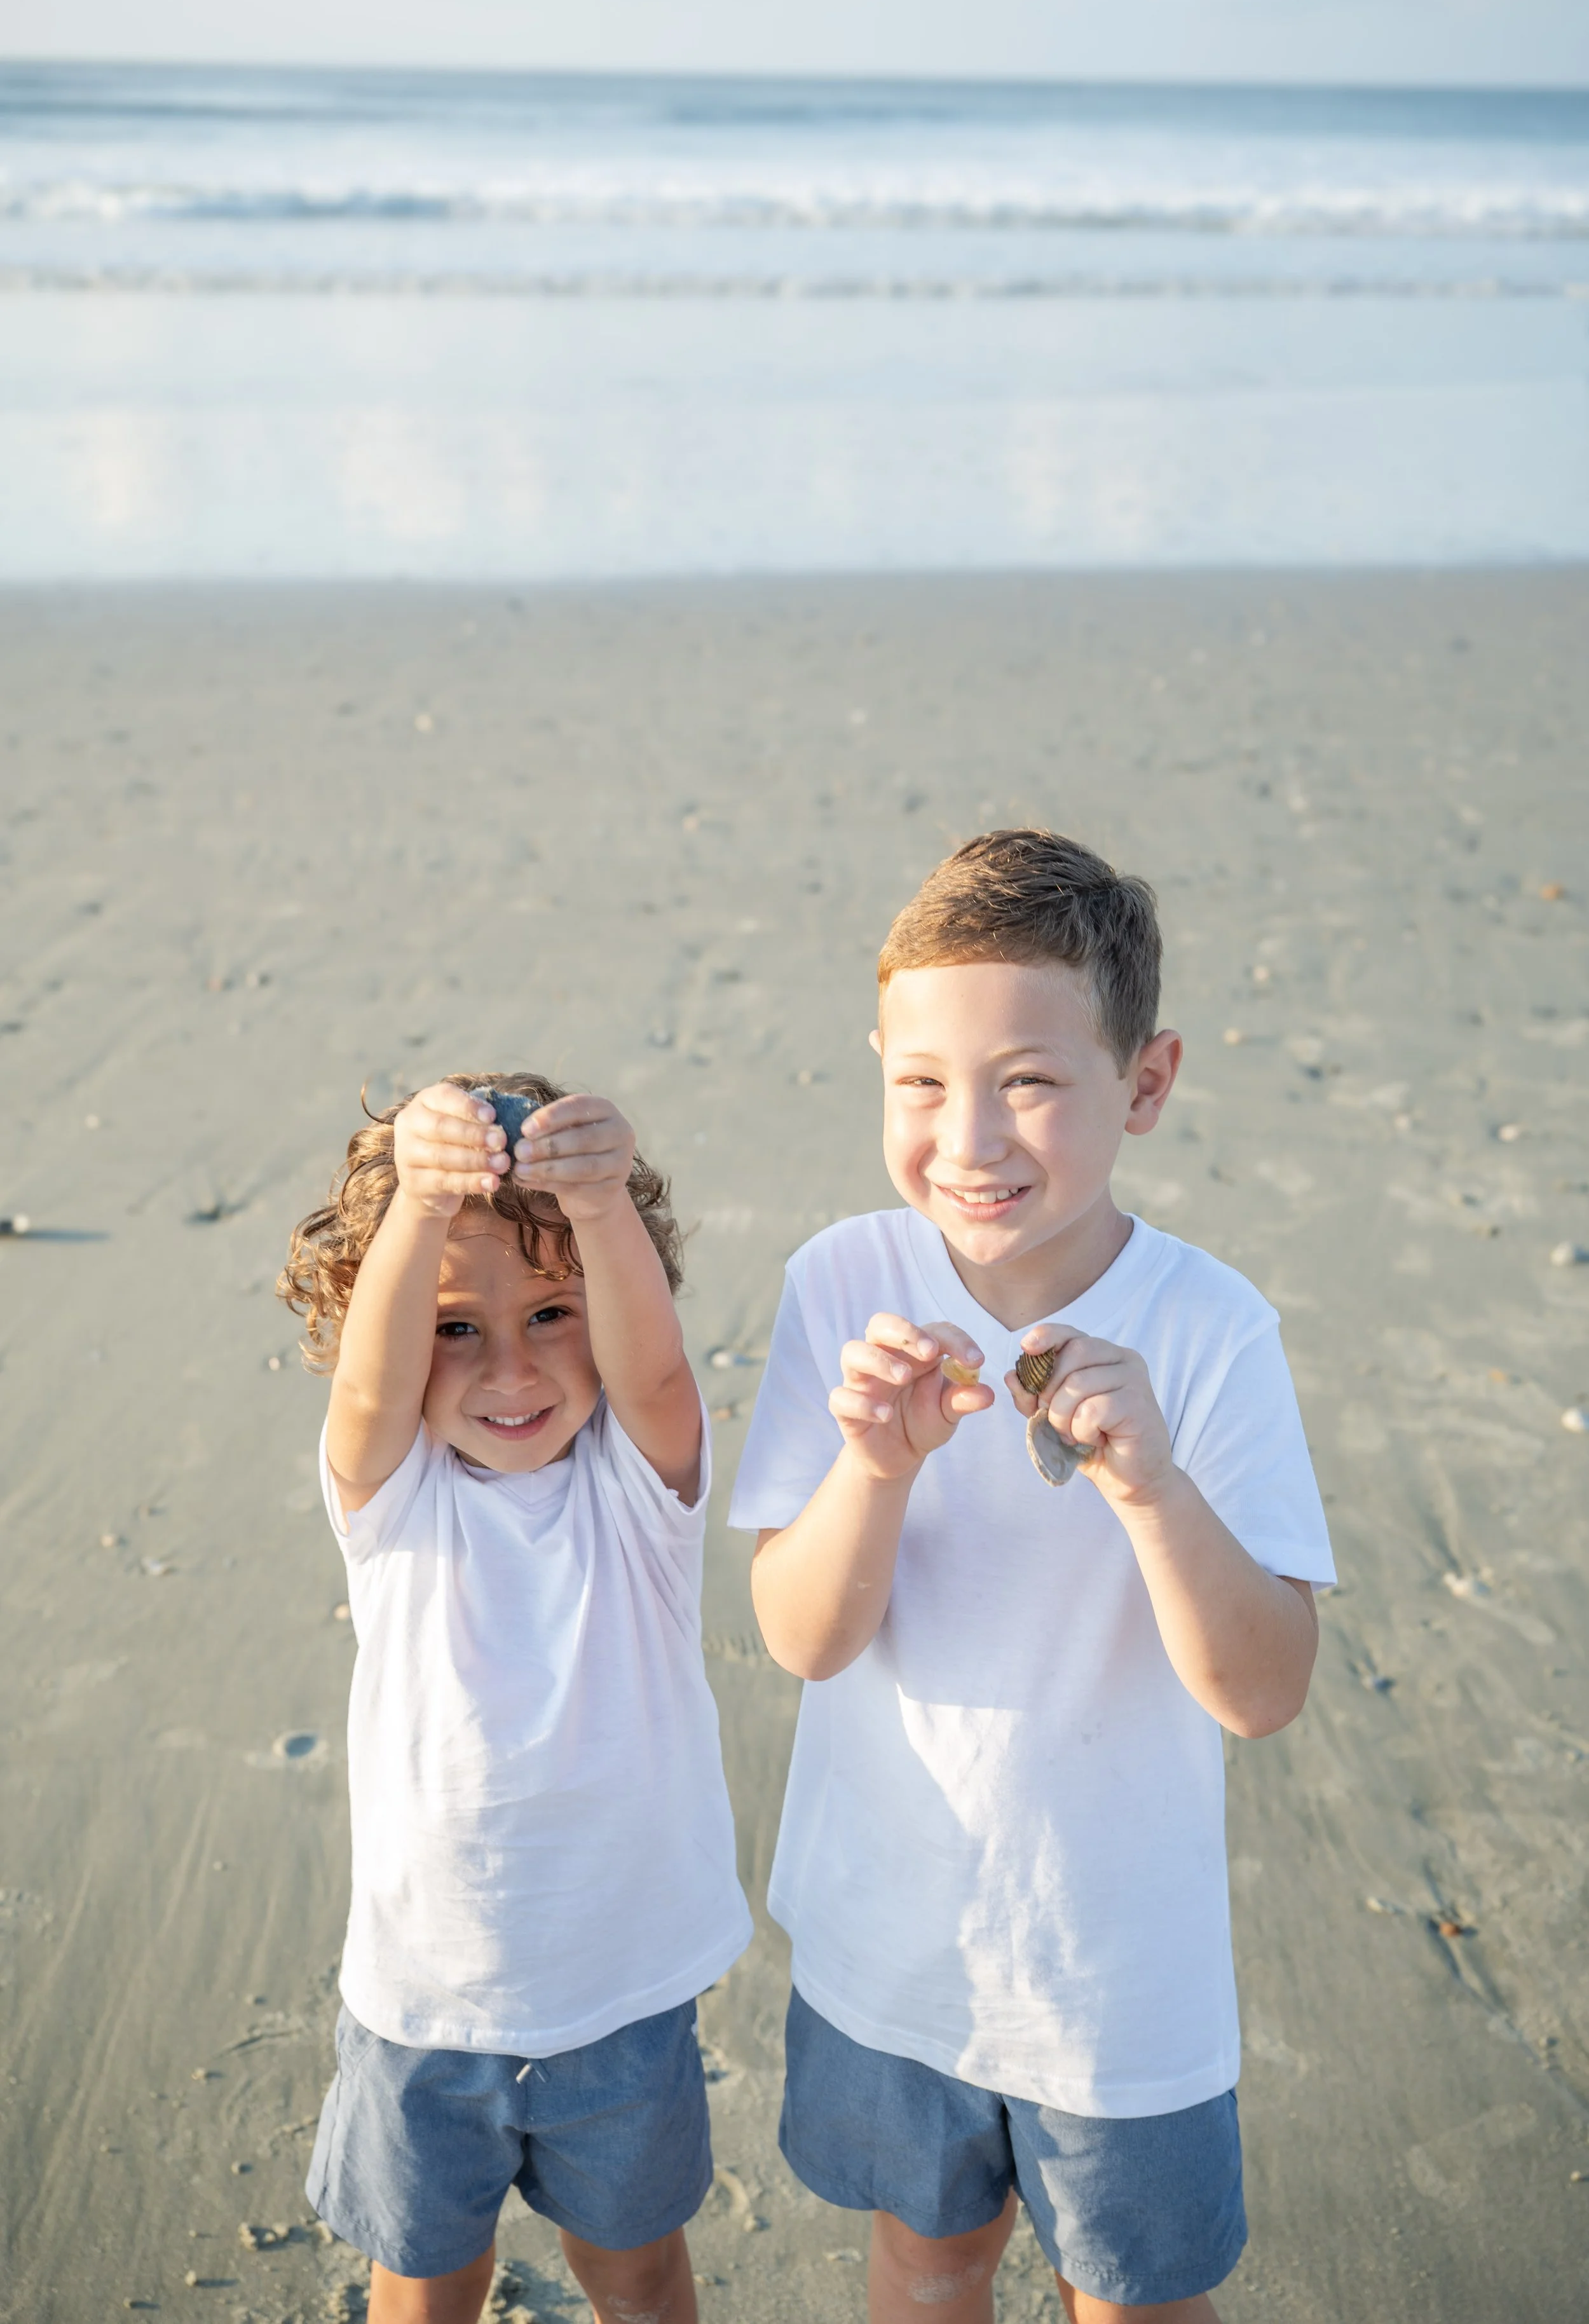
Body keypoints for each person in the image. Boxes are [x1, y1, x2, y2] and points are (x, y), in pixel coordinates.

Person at [731, 830, 1334, 2324]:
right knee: (925, 2262)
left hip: (1110, 1973)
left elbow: (1261, 1691)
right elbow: (802, 1637)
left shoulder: (1209, 1330)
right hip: (891, 1936)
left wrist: (1150, 1486)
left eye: (1027, 1080)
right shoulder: (839, 1284)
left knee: (1129, 2294)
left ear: (1144, 1082)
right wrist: (874, 1469)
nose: (968, 1139)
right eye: (921, 1083)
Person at [278, 1073, 749, 2324]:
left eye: (552, 1312)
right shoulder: (393, 1496)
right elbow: (370, 1394)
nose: (512, 1368)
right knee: (429, 2278)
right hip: (426, 2001)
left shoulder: (639, 1491)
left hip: (623, 1996)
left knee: (635, 2270)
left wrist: (600, 1204)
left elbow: (656, 1375)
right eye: (453, 1328)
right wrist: (419, 1205)